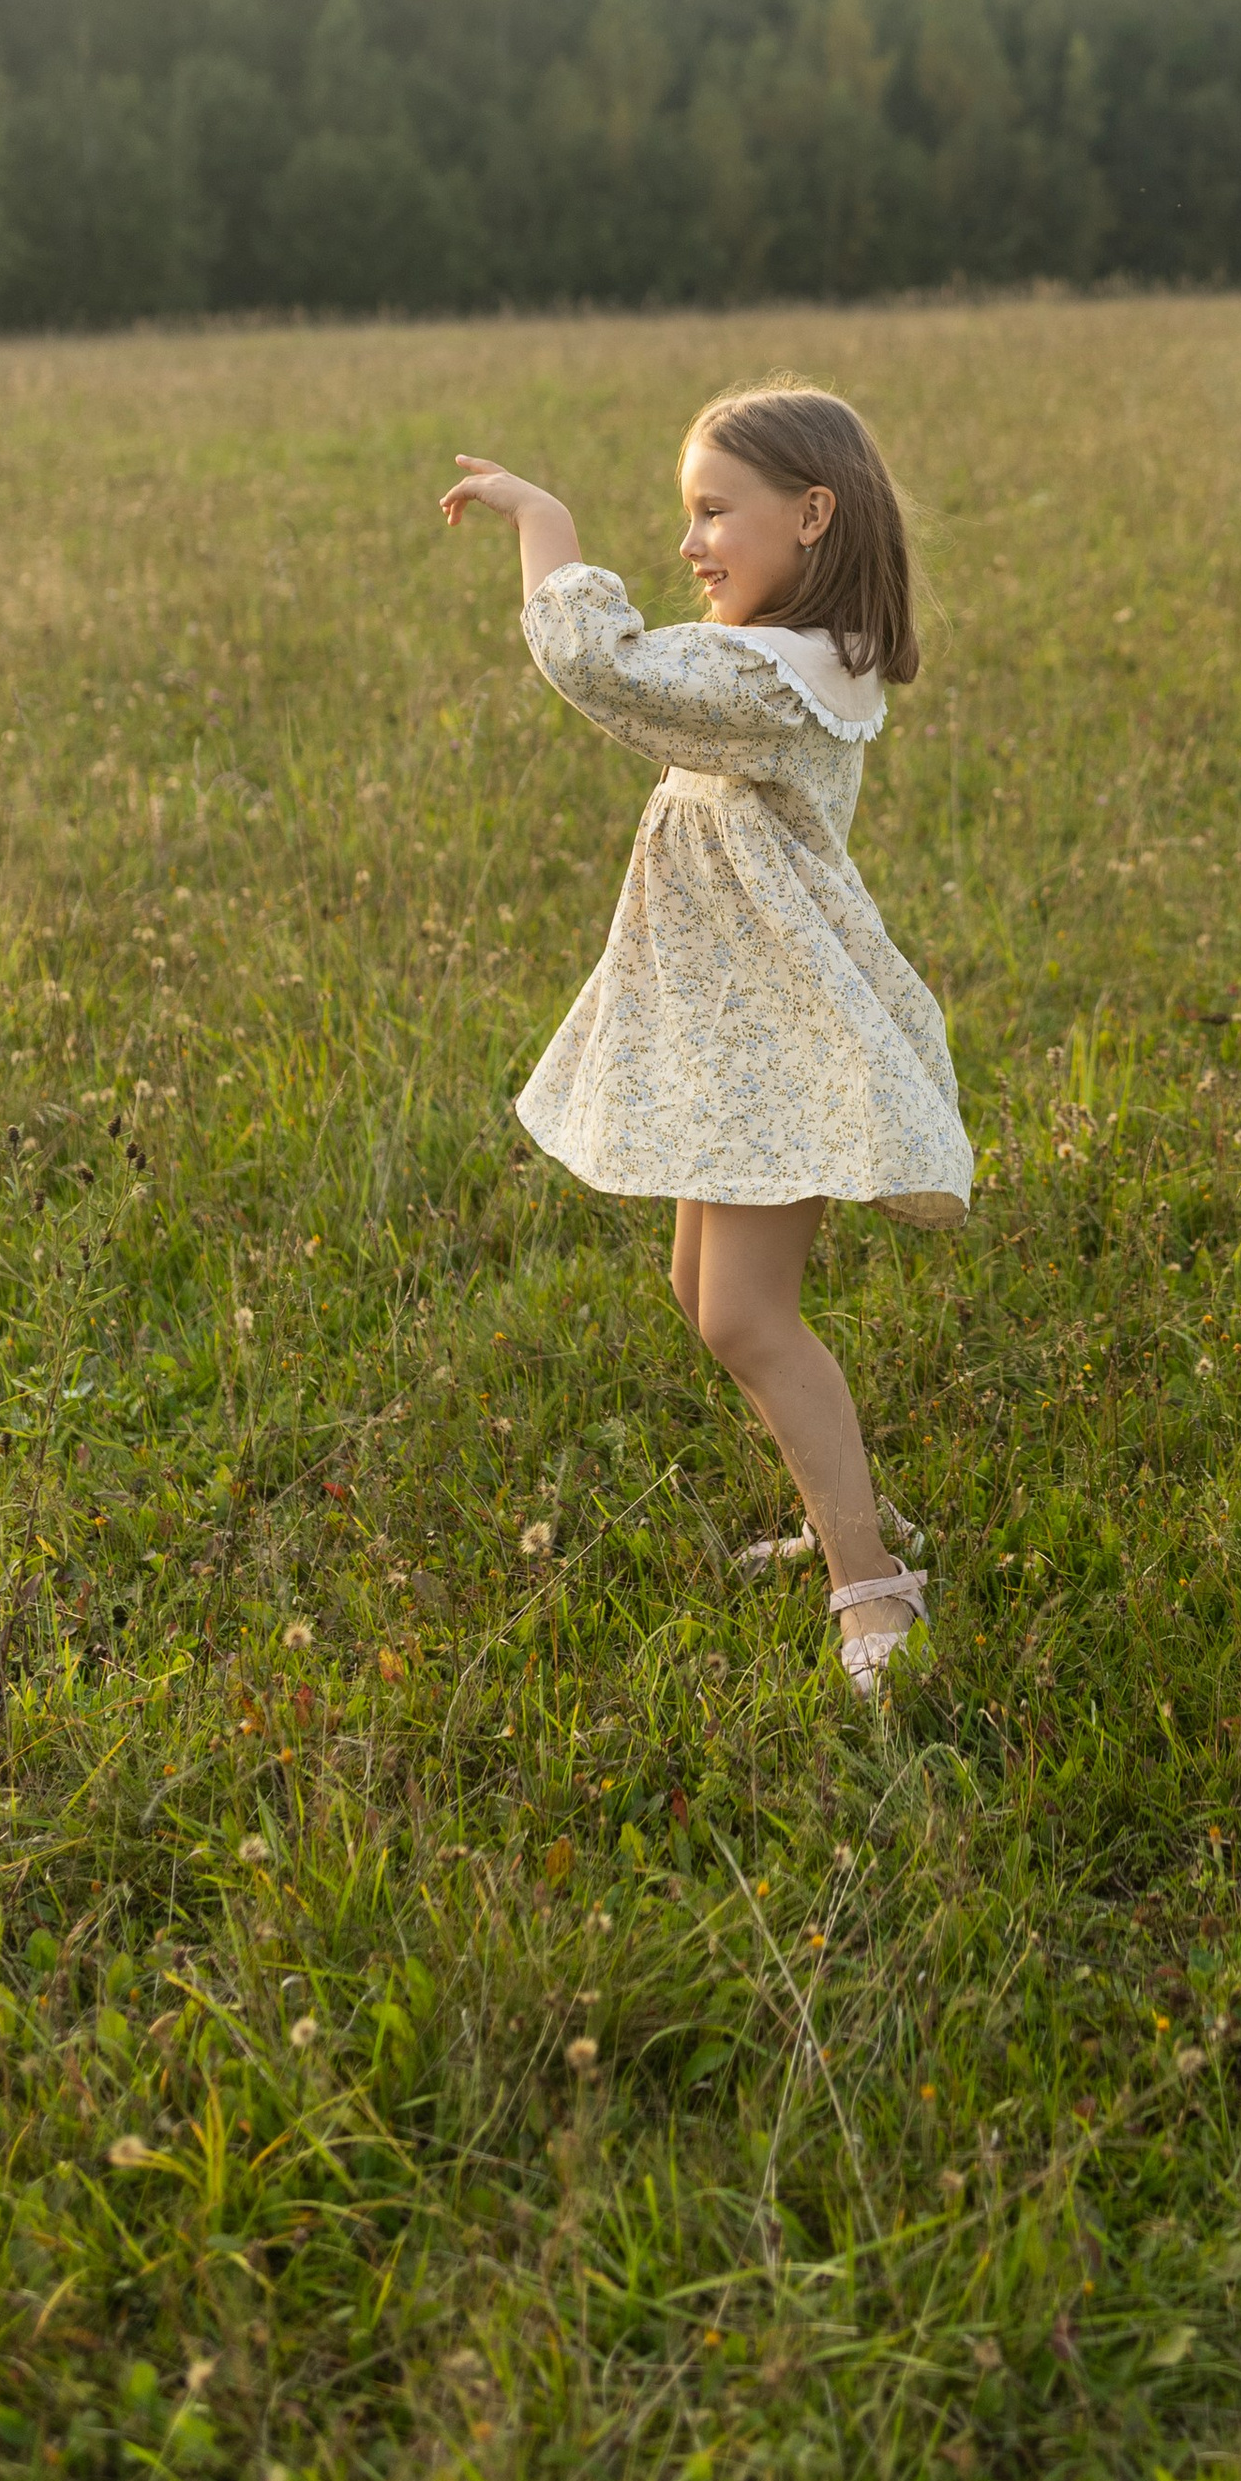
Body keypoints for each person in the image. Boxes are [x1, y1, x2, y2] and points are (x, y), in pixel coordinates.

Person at [440, 382, 972, 1701]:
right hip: (732, 1037)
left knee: (748, 1317)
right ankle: (849, 1512)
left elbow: (601, 666)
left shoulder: (779, 679)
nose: (690, 543)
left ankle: (872, 1590)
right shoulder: (794, 655)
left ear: (812, 514)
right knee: (708, 1302)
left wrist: (547, 524)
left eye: (712, 512)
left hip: (776, 1040)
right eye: (687, 516)